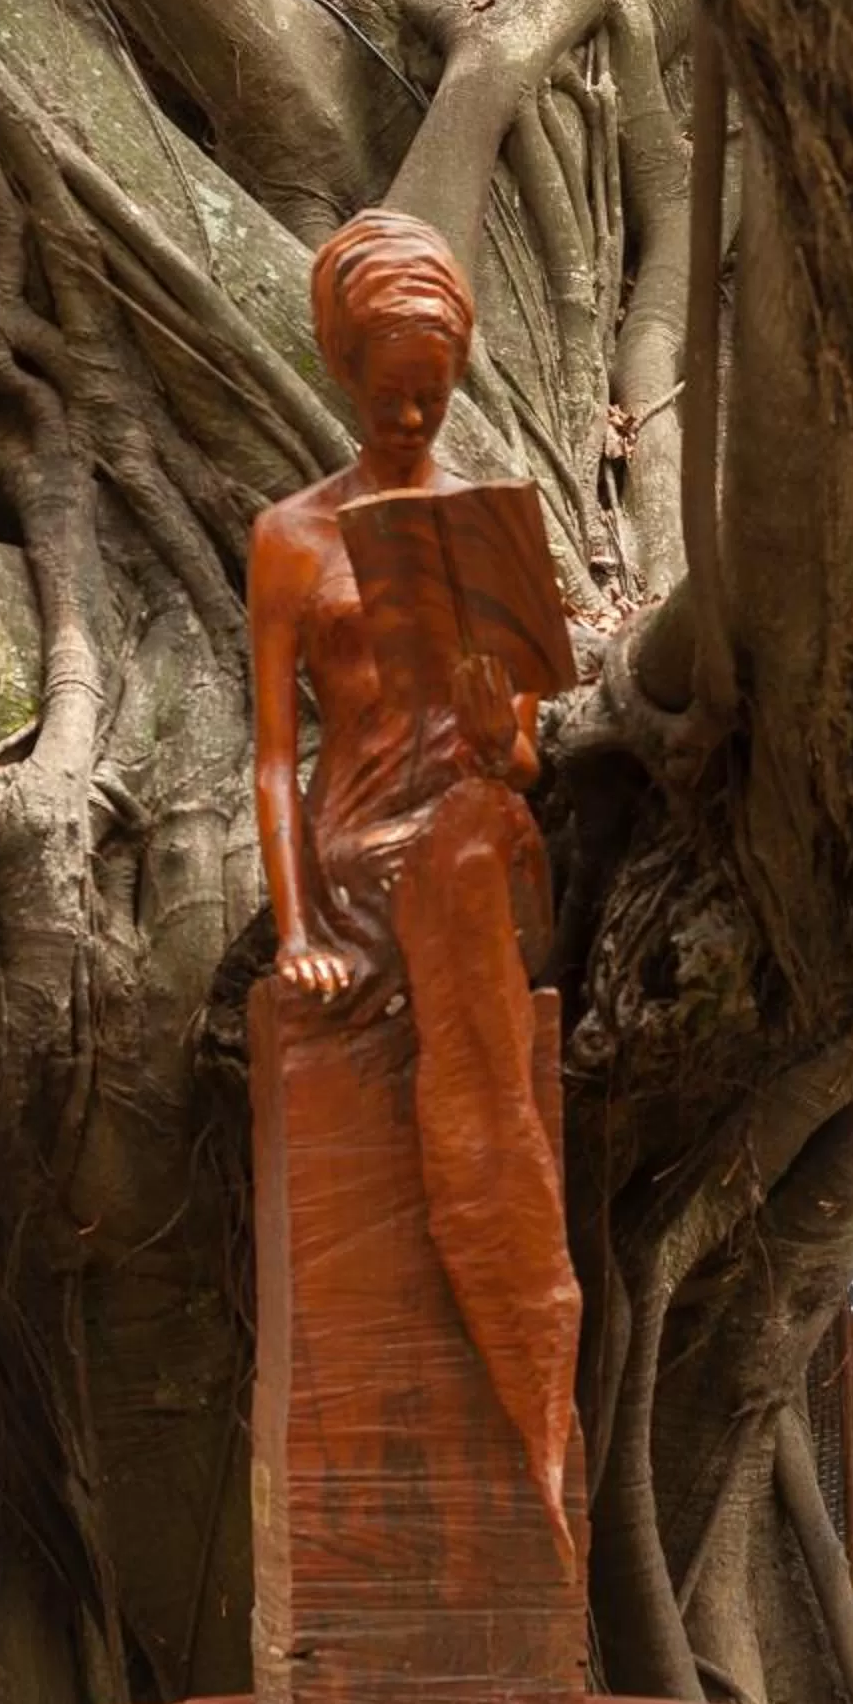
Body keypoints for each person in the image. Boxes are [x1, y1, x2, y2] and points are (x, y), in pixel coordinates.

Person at [247, 209, 580, 1554]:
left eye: (431, 394)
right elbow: (276, 760)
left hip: (476, 836)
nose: (409, 413)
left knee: (473, 841)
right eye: (387, 393)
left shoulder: (488, 527)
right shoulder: (292, 538)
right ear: (342, 367)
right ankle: (521, 1321)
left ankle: (525, 1321)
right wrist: (294, 929)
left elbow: (525, 762)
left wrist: (503, 725)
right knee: (440, 870)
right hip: (352, 855)